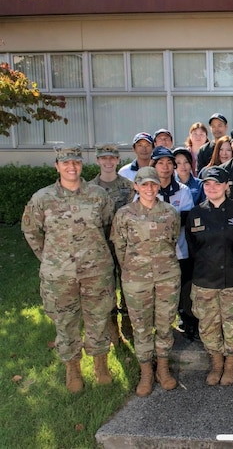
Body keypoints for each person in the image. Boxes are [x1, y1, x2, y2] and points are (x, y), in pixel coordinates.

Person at [22, 146, 115, 393]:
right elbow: (31, 230)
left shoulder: (98, 195)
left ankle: (100, 365)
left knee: (98, 318)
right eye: (66, 163)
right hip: (59, 275)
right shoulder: (42, 198)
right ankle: (72, 368)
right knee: (65, 321)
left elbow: (108, 225)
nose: (71, 167)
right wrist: (48, 257)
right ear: (57, 166)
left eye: (75, 162)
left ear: (81, 165)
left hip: (96, 271)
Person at [111, 166, 181, 397]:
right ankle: (146, 372)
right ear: (136, 186)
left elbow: (172, 239)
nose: (149, 188)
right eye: (144, 184)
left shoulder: (170, 212)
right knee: (141, 327)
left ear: (158, 185)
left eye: (153, 184)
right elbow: (120, 247)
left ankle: (162, 368)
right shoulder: (124, 214)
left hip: (166, 277)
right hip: (136, 280)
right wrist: (132, 269)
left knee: (164, 324)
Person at [185, 166, 233, 386]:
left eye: (216, 183)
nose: (211, 188)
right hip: (205, 279)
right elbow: (192, 247)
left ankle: (231, 363)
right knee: (208, 324)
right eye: (207, 184)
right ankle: (216, 363)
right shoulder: (196, 213)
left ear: (226, 185)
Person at [90, 143, 136, 344]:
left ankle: (127, 324)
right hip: (100, 246)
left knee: (127, 285)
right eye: (104, 158)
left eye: (112, 158)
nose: (108, 162)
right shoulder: (90, 189)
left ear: (118, 160)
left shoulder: (128, 186)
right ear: (98, 160)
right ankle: (112, 330)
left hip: (124, 244)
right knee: (105, 288)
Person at [150, 147, 196, 340]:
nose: (166, 167)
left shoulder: (182, 191)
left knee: (185, 289)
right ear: (153, 166)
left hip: (181, 250)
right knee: (161, 291)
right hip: (156, 253)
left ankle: (188, 322)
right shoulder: (147, 189)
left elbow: (185, 219)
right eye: (161, 163)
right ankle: (162, 329)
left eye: (169, 163)